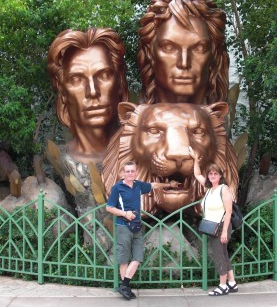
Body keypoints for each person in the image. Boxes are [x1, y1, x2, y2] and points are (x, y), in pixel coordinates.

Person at [47, 27, 128, 165]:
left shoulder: (144, 153)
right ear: (62, 90)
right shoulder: (56, 162)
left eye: (104, 75)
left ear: (119, 81)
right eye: (76, 79)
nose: (92, 91)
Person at [137, 0, 229, 105]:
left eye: (199, 48)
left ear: (214, 54)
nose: (184, 63)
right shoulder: (133, 120)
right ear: (150, 53)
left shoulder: (220, 117)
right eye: (169, 47)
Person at [106, 161, 179, 300]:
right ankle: (126, 288)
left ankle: (124, 285)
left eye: (132, 171)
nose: (130, 173)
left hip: (136, 226)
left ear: (136, 171)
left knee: (138, 257)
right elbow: (109, 207)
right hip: (123, 226)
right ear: (123, 173)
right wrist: (124, 213)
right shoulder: (117, 188)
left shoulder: (138, 185)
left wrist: (169, 185)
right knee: (124, 260)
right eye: (127, 171)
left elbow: (153, 185)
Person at [189, 146, 238, 296]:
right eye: (210, 173)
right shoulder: (209, 188)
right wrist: (195, 158)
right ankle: (232, 283)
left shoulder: (224, 189)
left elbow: (228, 211)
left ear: (220, 175)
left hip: (221, 226)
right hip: (213, 226)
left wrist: (224, 231)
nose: (212, 175)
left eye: (215, 173)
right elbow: (197, 174)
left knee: (218, 255)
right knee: (223, 255)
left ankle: (222, 285)